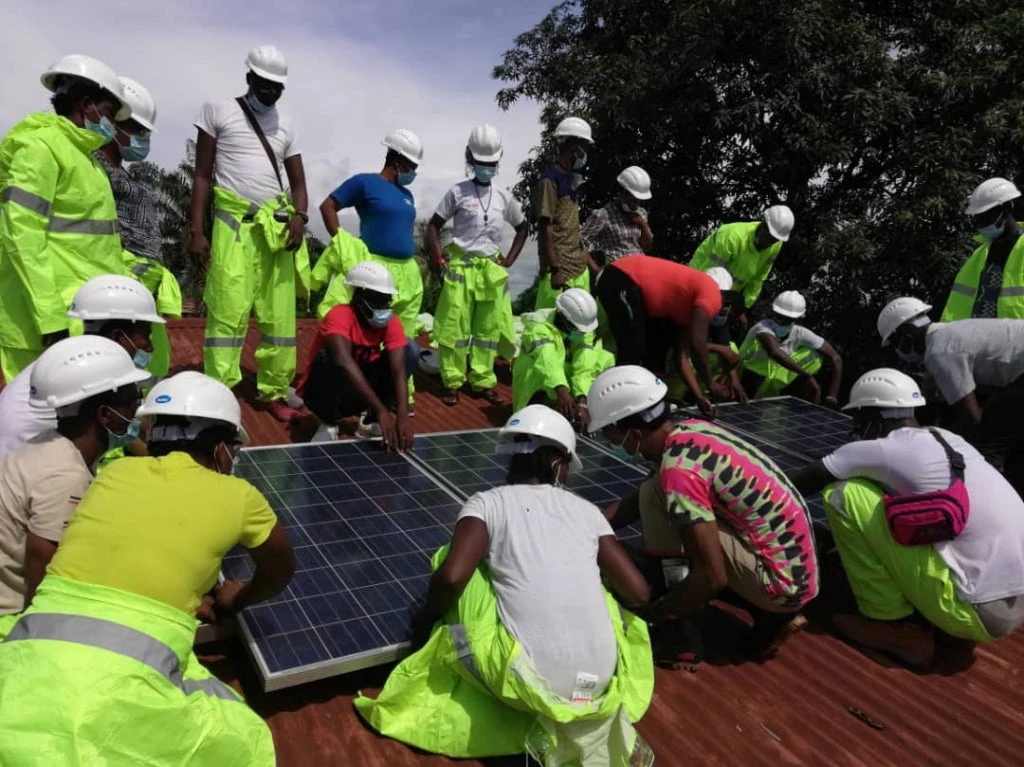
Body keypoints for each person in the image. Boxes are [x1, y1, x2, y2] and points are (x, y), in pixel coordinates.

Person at [0, 370, 293, 764]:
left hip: (31, 648)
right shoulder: (240, 496)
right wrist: (236, 598)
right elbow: (281, 569)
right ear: (223, 448)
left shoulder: (112, 473)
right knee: (246, 741)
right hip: (121, 680)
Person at [355, 405, 654, 765]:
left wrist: (425, 622)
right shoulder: (588, 511)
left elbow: (451, 577)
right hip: (601, 682)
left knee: (460, 561)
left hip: (524, 685)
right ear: (557, 463)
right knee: (600, 584)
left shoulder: (488, 502)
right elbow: (637, 592)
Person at [788, 369, 1024, 668]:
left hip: (972, 613)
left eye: (858, 420)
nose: (857, 429)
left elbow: (804, 480)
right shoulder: (948, 438)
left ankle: (893, 626)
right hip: (1013, 603)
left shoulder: (880, 449)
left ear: (871, 415)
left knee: (844, 493)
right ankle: (950, 628)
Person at [588, 366, 819, 668]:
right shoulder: (689, 429)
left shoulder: (679, 471)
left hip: (781, 584)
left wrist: (656, 614)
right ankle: (767, 616)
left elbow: (712, 576)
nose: (609, 441)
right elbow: (635, 501)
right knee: (654, 494)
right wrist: (586, 525)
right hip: (795, 569)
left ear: (633, 431)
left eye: (610, 432)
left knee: (674, 518)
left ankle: (681, 641)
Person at [190, 45, 310, 422]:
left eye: (277, 86)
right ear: (249, 78)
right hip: (233, 228)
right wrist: (196, 229)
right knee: (227, 311)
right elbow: (202, 175)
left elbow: (299, 183)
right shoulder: (218, 110)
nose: (270, 91)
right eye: (264, 83)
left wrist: (300, 217)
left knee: (279, 319)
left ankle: (273, 390)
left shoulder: (287, 125)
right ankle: (218, 392)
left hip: (275, 232)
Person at [0, 54, 129, 382]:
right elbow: (22, 236)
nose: (112, 125)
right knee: (38, 426)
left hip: (80, 319)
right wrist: (50, 319)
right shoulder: (40, 148)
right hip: (42, 327)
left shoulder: (87, 159)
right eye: (110, 114)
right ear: (87, 105)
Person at [0, 335, 148, 617]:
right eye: (133, 400)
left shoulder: (45, 443)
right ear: (105, 415)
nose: (137, 411)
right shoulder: (65, 476)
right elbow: (44, 582)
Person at [0, 274, 163, 458]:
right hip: (28, 467)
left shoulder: (76, 357)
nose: (150, 347)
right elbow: (120, 426)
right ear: (118, 337)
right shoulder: (93, 370)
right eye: (145, 336)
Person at [319, 128, 424, 407]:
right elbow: (327, 206)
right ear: (396, 159)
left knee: (403, 336)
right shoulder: (364, 183)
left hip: (408, 272)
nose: (413, 171)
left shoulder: (407, 195)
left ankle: (397, 397)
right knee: (364, 334)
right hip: (376, 270)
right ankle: (351, 395)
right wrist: (342, 242)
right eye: (412, 165)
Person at [878, 296, 1024, 493]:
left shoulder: (939, 351)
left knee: (985, 445)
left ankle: (988, 498)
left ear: (907, 333)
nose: (898, 351)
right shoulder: (951, 331)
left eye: (895, 343)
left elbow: (972, 417)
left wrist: (945, 450)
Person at [426, 124, 527, 406]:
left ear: (498, 160)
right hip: (460, 270)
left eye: (491, 163)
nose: (486, 168)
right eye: (481, 163)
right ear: (471, 159)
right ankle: (452, 381)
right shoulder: (457, 193)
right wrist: (436, 254)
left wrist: (509, 259)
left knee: (487, 330)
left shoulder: (504, 197)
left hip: (489, 274)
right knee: (454, 328)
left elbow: (523, 227)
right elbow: (433, 226)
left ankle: (482, 381)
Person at [95, 76, 183, 379]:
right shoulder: (94, 166)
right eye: (138, 129)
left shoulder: (127, 174)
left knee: (151, 361)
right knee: (118, 364)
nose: (143, 137)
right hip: (120, 280)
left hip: (145, 287)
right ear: (114, 123)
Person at [297, 262, 417, 450]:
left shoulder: (391, 322)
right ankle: (328, 422)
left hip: (361, 391)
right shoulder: (340, 316)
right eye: (378, 300)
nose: (384, 307)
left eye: (387, 301)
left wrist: (401, 414)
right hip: (328, 390)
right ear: (360, 298)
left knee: (409, 350)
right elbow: (343, 362)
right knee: (327, 357)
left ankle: (370, 422)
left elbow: (398, 369)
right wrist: (381, 410)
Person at [593, 254, 724, 417]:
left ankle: (641, 405)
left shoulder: (686, 309)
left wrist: (699, 397)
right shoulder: (712, 295)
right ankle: (620, 409)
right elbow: (698, 344)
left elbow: (681, 357)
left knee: (654, 356)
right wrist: (710, 383)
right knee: (632, 347)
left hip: (633, 288)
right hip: (622, 276)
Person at [512, 288, 615, 426]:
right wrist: (562, 393)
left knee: (604, 359)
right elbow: (548, 363)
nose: (580, 333)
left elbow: (583, 368)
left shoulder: (585, 330)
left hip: (563, 376)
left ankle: (578, 408)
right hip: (540, 377)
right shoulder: (538, 327)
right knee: (534, 366)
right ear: (562, 317)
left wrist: (582, 401)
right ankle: (536, 406)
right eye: (575, 328)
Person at [689, 205, 795, 327]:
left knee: (719, 326)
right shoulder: (732, 237)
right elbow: (711, 275)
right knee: (695, 327)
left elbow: (758, 279)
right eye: (770, 237)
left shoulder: (775, 245)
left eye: (775, 240)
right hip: (700, 283)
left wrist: (743, 308)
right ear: (763, 225)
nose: (771, 243)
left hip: (727, 295)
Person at [534, 116, 597, 310]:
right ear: (574, 147)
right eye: (585, 147)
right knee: (550, 329)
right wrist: (555, 269)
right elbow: (546, 226)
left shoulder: (570, 180)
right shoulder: (550, 180)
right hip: (561, 273)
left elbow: (572, 232)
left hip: (578, 270)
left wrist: (594, 268)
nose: (586, 153)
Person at [738, 290, 843, 405]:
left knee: (814, 355)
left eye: (786, 319)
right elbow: (774, 352)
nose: (781, 322)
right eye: (778, 316)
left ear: (797, 319)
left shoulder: (800, 333)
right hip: (745, 375)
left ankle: (788, 394)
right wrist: (807, 376)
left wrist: (832, 395)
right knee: (774, 354)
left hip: (771, 380)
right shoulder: (762, 328)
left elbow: (835, 358)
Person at [942, 177, 1024, 321]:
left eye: (986, 218)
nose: (981, 226)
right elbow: (957, 305)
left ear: (1006, 210)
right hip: (981, 338)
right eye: (978, 220)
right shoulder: (979, 255)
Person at [580, 166, 654, 266]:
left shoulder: (641, 213)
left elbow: (647, 247)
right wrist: (595, 269)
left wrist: (643, 225)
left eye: (638, 201)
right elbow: (580, 243)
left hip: (640, 267)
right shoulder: (602, 215)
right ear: (622, 193)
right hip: (617, 269)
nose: (635, 204)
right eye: (633, 200)